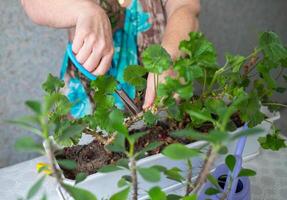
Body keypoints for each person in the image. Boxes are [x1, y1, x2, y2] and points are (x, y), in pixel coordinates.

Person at [21, 0, 200, 115]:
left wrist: (170, 54)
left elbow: (185, 6)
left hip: (162, 84)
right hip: (88, 96)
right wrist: (85, 10)